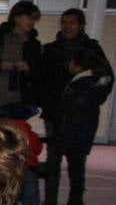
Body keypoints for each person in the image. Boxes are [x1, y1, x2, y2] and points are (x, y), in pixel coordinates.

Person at [41, 47, 108, 205]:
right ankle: (75, 203)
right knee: (76, 168)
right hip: (80, 134)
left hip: (76, 135)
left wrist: (64, 133)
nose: (68, 64)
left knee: (76, 169)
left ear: (78, 64)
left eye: (71, 61)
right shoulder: (88, 83)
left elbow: (72, 114)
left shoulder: (81, 86)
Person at [38, 8, 113, 137]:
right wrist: (44, 99)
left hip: (82, 109)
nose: (67, 26)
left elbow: (106, 76)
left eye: (72, 22)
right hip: (55, 106)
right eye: (64, 22)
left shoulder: (92, 49)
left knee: (77, 151)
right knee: (54, 150)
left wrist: (93, 99)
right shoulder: (50, 50)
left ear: (81, 25)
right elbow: (41, 78)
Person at [0, 0, 42, 112]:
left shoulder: (34, 45)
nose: (32, 22)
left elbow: (40, 73)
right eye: (28, 17)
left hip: (23, 102)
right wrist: (0, 66)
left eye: (34, 19)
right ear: (16, 17)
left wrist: (29, 68)